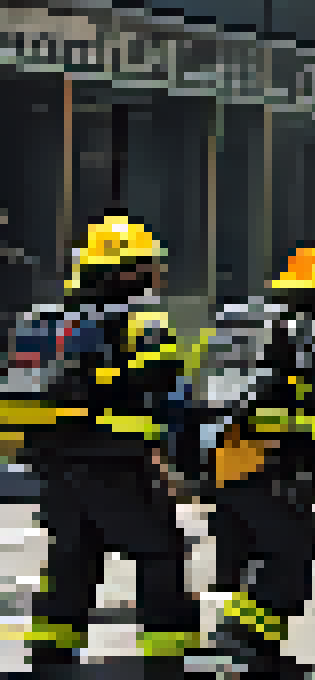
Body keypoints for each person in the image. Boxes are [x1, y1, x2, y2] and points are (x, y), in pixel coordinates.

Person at [3, 214, 201, 679]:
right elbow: (170, 397)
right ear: (127, 270)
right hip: (118, 464)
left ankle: (51, 660)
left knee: (71, 559)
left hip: (55, 468)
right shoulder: (142, 323)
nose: (157, 276)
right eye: (150, 266)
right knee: (160, 554)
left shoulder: (45, 320)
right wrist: (188, 463)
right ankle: (164, 660)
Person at [188, 242, 315, 677]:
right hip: (270, 464)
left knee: (251, 553)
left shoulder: (249, 327)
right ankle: (250, 645)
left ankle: (243, 645)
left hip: (222, 462)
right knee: (294, 549)